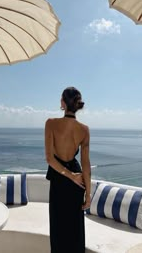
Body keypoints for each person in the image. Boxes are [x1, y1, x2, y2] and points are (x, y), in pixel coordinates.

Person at [45, 86, 91, 253]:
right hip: (78, 183)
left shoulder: (51, 124)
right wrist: (89, 194)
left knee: (58, 228)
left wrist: (70, 175)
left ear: (62, 103)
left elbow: (50, 159)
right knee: (74, 230)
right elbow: (86, 164)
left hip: (60, 179)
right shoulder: (84, 129)